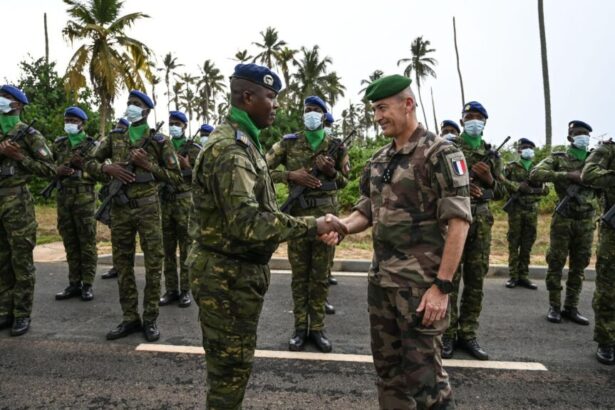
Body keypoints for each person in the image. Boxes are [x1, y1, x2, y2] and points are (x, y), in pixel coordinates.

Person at [188, 63, 348, 409]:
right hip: (226, 277)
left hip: (236, 274)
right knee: (229, 375)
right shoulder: (231, 150)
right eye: (271, 97)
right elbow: (249, 222)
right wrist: (311, 225)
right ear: (248, 97)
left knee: (234, 369)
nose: (276, 105)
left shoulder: (245, 142)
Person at [325, 74, 470, 409]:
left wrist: (442, 287)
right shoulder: (379, 159)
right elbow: (367, 208)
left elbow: (459, 221)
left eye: (382, 108)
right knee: (389, 375)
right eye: (374, 110)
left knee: (426, 382)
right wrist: (344, 226)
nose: (377, 117)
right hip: (382, 285)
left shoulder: (439, 153)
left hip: (420, 289)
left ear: (408, 104)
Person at [85, 90, 182, 342]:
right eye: (129, 104)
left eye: (136, 104)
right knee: (123, 265)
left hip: (149, 208)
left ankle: (150, 319)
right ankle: (129, 318)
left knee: (153, 265)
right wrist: (107, 168)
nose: (131, 107)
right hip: (120, 208)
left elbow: (177, 177)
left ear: (147, 111)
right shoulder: (115, 137)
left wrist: (149, 166)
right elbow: (88, 164)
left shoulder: (160, 141)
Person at [266, 96, 350, 352]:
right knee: (300, 277)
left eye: (316, 111)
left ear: (324, 116)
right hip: (298, 220)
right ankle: (300, 328)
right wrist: (291, 175)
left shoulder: (336, 146)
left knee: (320, 278)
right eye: (307, 110)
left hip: (327, 222)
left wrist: (330, 172)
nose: (310, 114)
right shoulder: (288, 143)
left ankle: (318, 329)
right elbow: (261, 169)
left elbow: (346, 182)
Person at [443, 101, 506, 361]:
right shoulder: (449, 149)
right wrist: (463, 188)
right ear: (462, 120)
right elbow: (435, 184)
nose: (474, 120)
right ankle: (447, 334)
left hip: (480, 223)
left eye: (478, 117)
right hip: (454, 220)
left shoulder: (493, 155)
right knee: (450, 278)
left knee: (475, 281)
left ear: (485, 122)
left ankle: (468, 334)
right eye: (469, 116)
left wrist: (490, 179)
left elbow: (502, 192)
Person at [0, 84, 55, 336]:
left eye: (7, 98)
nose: (1, 100)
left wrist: (20, 157)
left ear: (18, 105)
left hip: (17, 202)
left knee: (21, 260)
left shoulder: (29, 134)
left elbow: (50, 170)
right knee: (1, 260)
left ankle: (22, 314)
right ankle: (4, 311)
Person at [530, 120, 597, 326]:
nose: (583, 137)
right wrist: (567, 176)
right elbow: (535, 174)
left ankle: (571, 307)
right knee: (556, 262)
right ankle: (554, 306)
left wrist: (591, 177)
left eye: (586, 133)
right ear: (570, 137)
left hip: (586, 219)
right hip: (563, 218)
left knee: (579, 264)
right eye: (578, 133)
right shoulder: (558, 158)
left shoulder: (595, 160)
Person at [53, 107, 98, 302]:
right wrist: (58, 170)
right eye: (67, 119)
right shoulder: (59, 144)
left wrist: (82, 169)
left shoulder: (93, 146)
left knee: (86, 242)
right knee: (70, 241)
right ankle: (74, 283)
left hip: (85, 199)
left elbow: (103, 172)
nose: (69, 123)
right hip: (64, 198)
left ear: (82, 124)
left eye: (73, 120)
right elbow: (46, 166)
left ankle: (87, 284)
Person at [159, 110, 201, 308]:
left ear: (184, 126)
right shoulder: (162, 146)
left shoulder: (194, 149)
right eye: (171, 122)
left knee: (186, 249)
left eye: (177, 123)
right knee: (167, 249)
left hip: (184, 204)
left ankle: (185, 290)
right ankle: (170, 290)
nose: (173, 126)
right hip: (165, 202)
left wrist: (188, 166)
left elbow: (204, 178)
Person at [581, 138, 615, 365]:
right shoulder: (609, 149)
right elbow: (589, 174)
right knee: (608, 288)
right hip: (613, 233)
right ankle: (607, 340)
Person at [501, 138, 548, 289]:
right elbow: (501, 183)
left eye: (530, 147)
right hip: (515, 209)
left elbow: (545, 190)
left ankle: (524, 276)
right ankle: (513, 276)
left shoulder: (538, 168)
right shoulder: (511, 167)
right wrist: (517, 187)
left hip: (531, 210)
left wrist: (532, 190)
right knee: (514, 242)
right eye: (524, 147)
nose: (527, 149)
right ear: (518, 150)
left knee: (528, 242)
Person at [101, 118, 129, 280]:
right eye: (117, 128)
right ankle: (117, 266)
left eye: (122, 128)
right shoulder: (111, 143)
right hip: (116, 193)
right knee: (117, 235)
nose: (119, 130)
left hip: (136, 197)